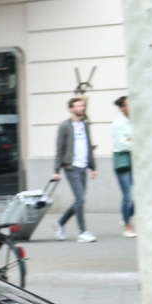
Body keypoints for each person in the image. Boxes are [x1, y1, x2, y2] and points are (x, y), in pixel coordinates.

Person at [51, 96, 98, 243]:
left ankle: (59, 223)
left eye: (82, 106)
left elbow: (89, 146)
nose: (81, 108)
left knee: (80, 200)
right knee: (80, 199)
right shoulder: (65, 126)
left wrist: (93, 167)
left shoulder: (85, 125)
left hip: (83, 167)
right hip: (71, 167)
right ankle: (83, 232)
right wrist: (56, 170)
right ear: (71, 109)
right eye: (78, 106)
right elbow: (60, 149)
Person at [111, 95, 136, 237]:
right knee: (127, 195)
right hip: (122, 161)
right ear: (122, 108)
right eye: (128, 104)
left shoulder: (134, 121)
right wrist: (133, 141)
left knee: (138, 196)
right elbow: (122, 145)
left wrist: (131, 140)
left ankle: (125, 216)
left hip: (134, 160)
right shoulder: (118, 124)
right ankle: (127, 227)